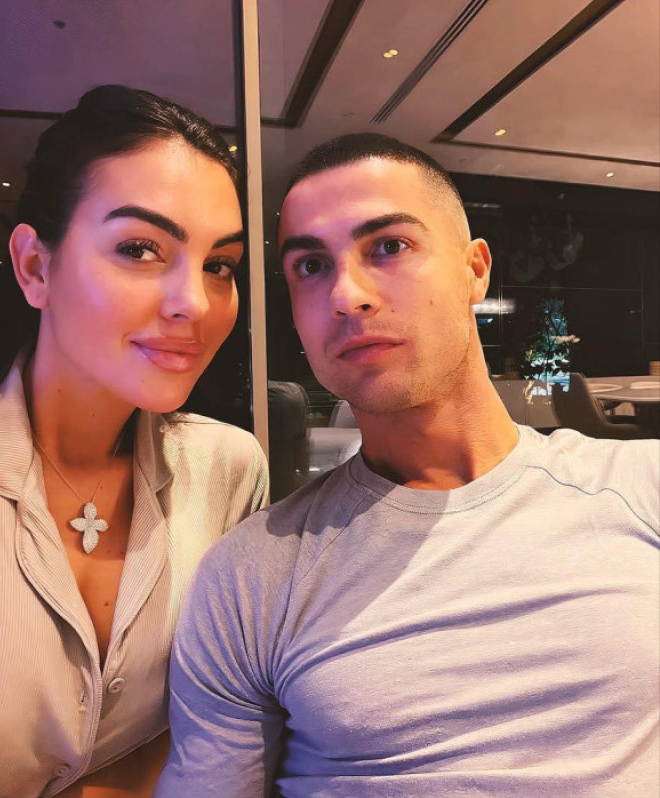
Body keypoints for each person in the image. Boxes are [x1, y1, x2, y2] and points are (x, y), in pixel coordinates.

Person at [156, 133, 659, 797]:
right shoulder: (252, 575)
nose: (347, 294)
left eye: (388, 246)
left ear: (475, 269)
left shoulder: (639, 488)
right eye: (311, 266)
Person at [0, 85, 268, 798]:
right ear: (35, 266)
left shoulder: (226, 470)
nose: (194, 302)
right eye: (141, 249)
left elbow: (214, 720)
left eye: (219, 265)